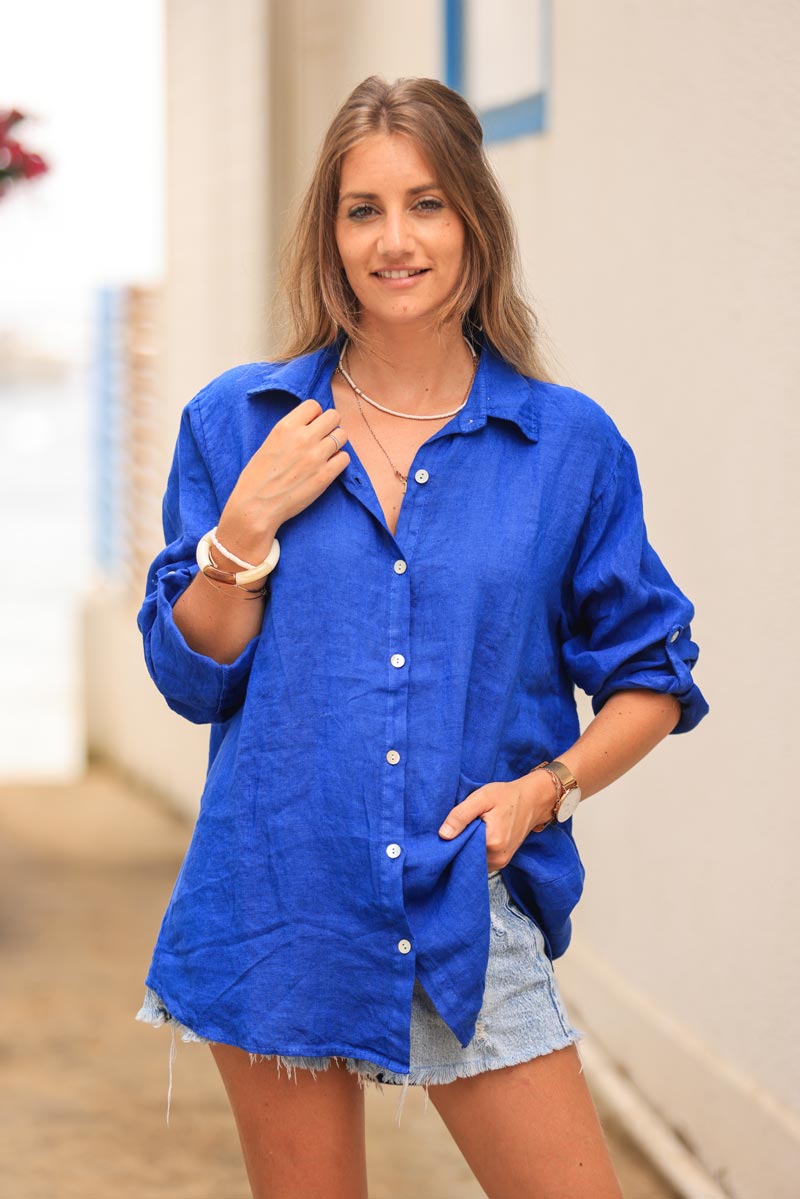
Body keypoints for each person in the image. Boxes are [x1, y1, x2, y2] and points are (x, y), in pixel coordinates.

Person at [135, 75, 708, 1199]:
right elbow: (191, 675)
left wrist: (543, 789)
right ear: (330, 235)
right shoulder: (236, 422)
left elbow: (650, 675)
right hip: (279, 902)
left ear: (473, 225)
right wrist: (244, 524)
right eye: (363, 210)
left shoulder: (564, 445)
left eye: (426, 204)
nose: (394, 239)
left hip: (461, 893)